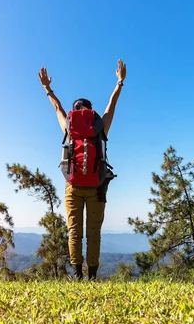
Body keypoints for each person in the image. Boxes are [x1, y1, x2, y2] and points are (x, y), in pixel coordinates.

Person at [38, 59, 127, 280]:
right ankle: (93, 277)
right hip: (97, 186)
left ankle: (77, 275)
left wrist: (47, 88)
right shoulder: (100, 126)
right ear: (90, 110)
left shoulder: (69, 126)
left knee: (74, 232)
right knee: (93, 233)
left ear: (75, 111)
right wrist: (119, 83)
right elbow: (111, 106)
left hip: (73, 186)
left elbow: (57, 108)